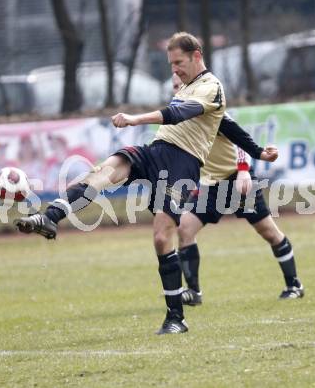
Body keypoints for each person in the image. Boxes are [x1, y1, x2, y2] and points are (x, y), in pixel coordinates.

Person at [14, 32, 226, 334]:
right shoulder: (186, 85)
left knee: (161, 238)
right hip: (156, 151)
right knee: (103, 171)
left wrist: (135, 119)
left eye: (178, 62)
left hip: (183, 164)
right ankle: (49, 217)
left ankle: (176, 318)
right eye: (171, 64)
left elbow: (180, 114)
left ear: (197, 55)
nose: (174, 69)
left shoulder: (211, 87)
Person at [173, 74, 304, 305]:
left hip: (236, 178)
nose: (177, 90)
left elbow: (240, 140)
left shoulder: (213, 114)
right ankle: (194, 293)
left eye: (181, 85)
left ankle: (294, 285)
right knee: (184, 228)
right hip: (210, 186)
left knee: (269, 233)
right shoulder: (178, 119)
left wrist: (243, 170)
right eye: (174, 86)